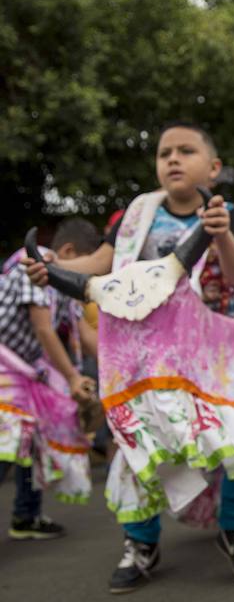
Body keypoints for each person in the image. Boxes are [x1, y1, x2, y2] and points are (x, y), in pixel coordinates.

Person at [24, 122, 234, 593]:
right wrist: (53, 267)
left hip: (210, 353)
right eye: (165, 153)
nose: (173, 159)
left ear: (214, 168)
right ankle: (140, 541)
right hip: (143, 357)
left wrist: (221, 236)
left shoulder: (228, 213)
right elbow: (101, 263)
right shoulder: (133, 217)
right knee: (136, 445)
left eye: (186, 151)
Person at [1, 217, 100, 540]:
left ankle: (26, 516)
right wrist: (72, 377)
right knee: (7, 443)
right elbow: (44, 329)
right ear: (68, 250)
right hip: (5, 364)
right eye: (85, 263)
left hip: (25, 369)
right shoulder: (37, 263)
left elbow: (87, 339)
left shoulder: (65, 284)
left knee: (32, 439)